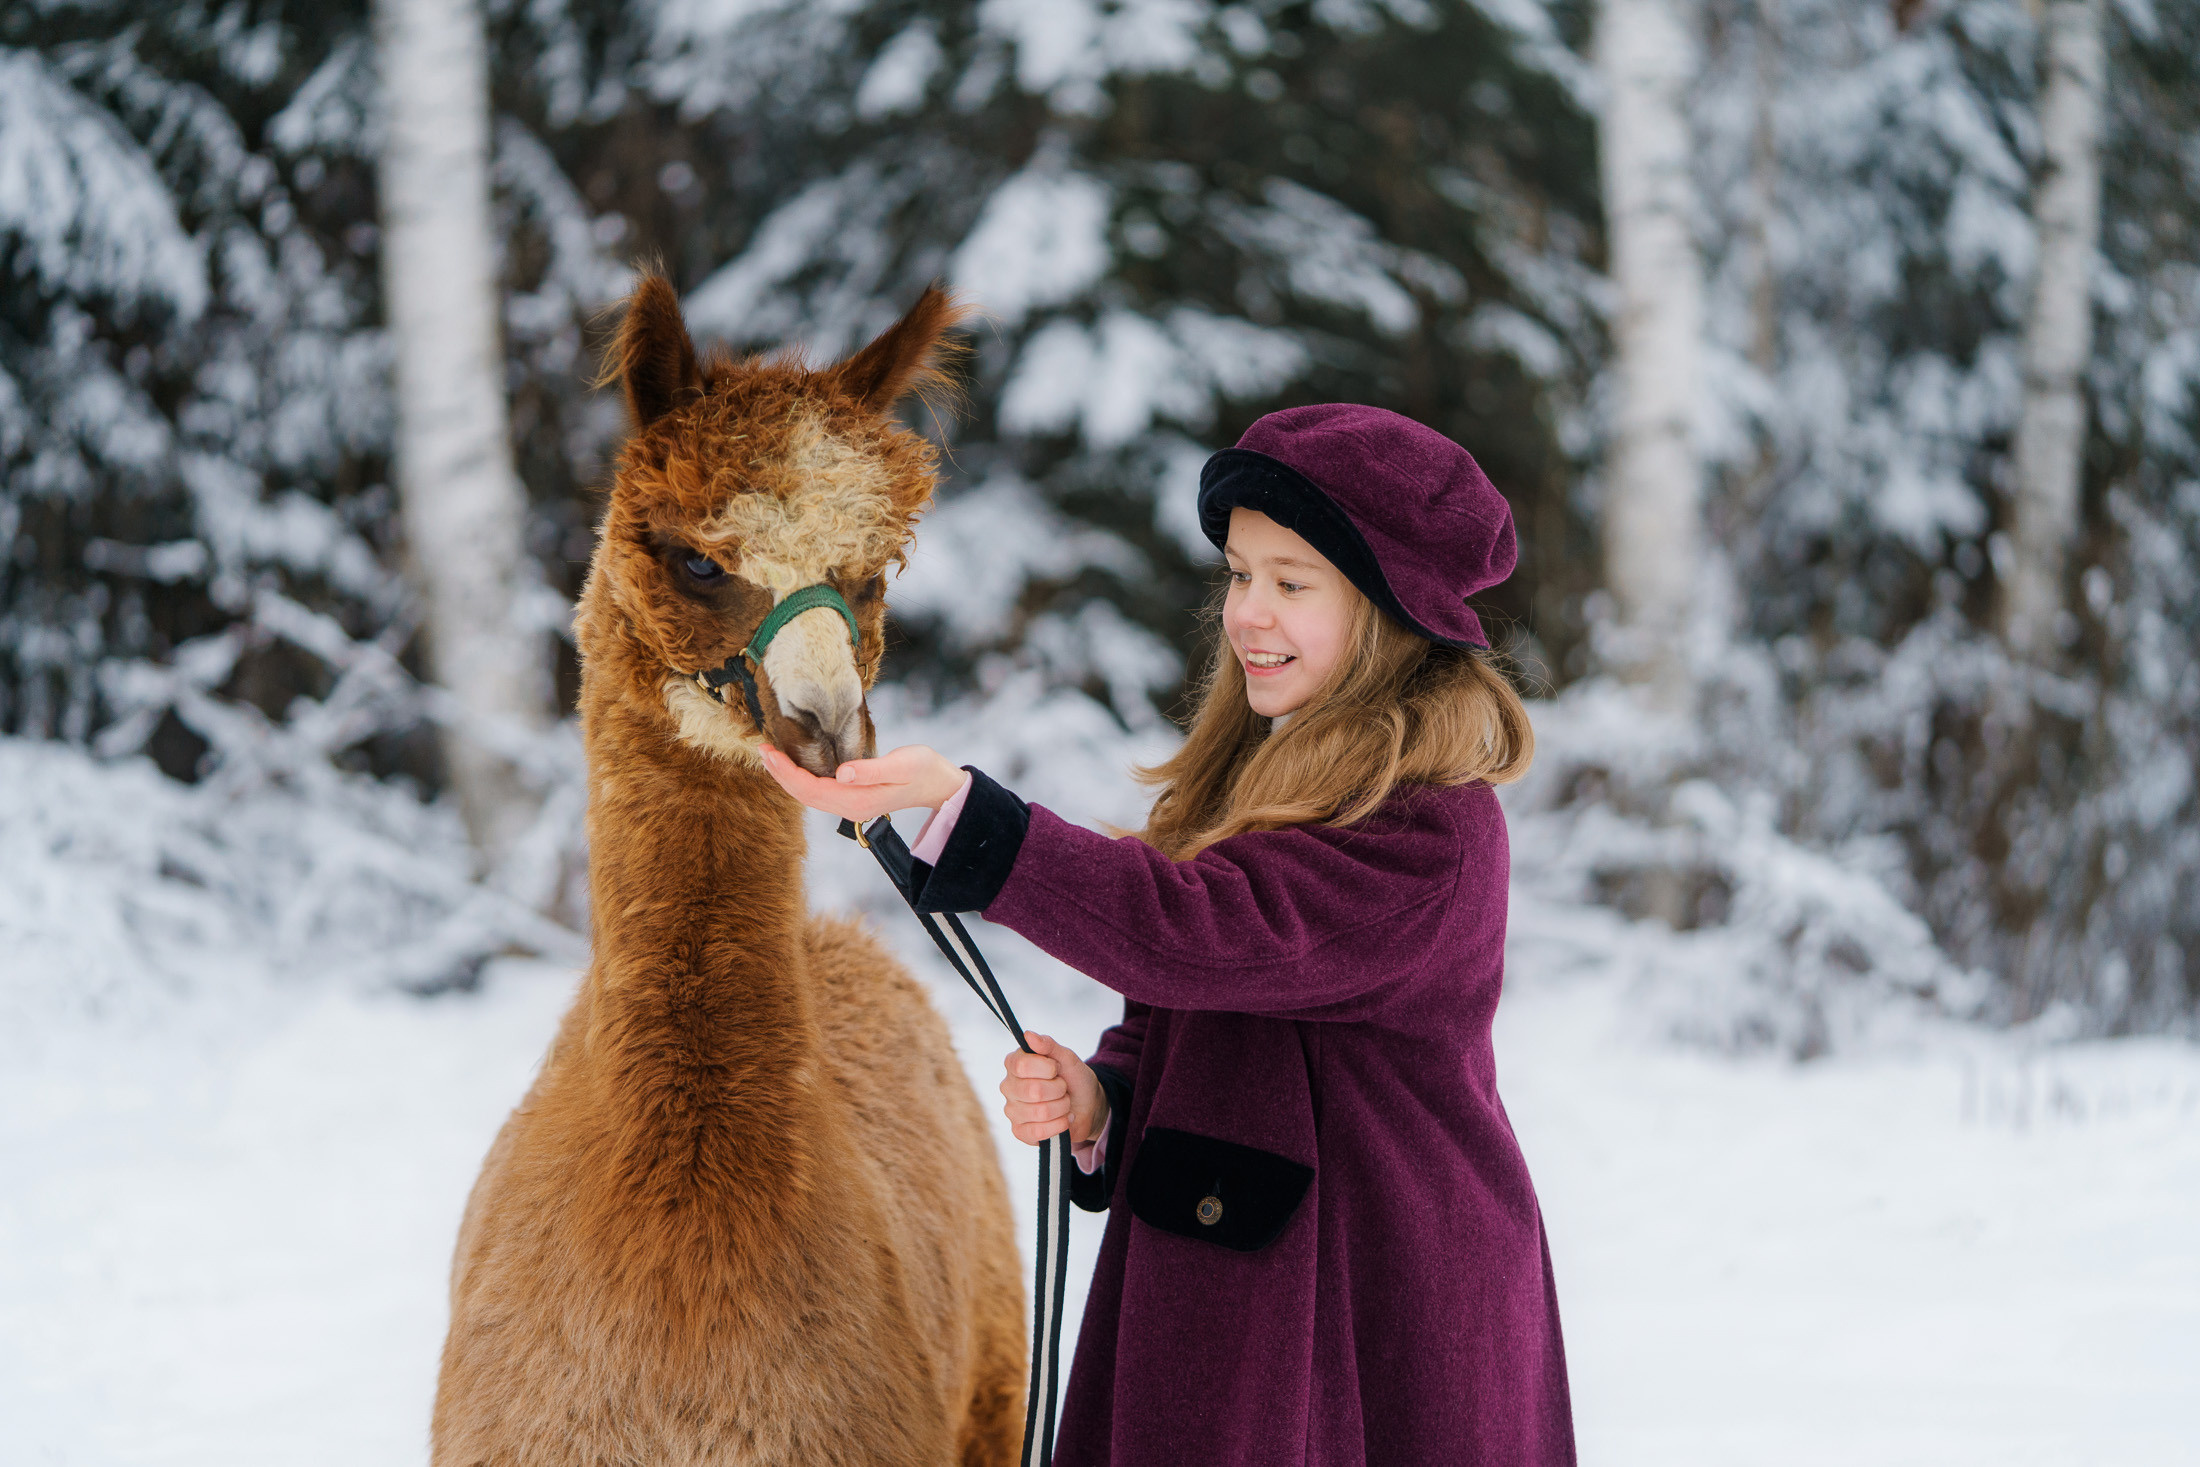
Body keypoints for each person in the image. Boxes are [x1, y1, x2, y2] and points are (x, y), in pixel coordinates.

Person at [761, 403, 1575, 1466]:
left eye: (1293, 583)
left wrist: (967, 815)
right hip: (1229, 1281)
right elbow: (1177, 1009)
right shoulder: (1256, 776)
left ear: (1386, 609)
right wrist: (1106, 1100)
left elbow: (1205, 933)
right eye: (1239, 574)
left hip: (1382, 1303)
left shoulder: (1430, 830)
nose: (1249, 612)